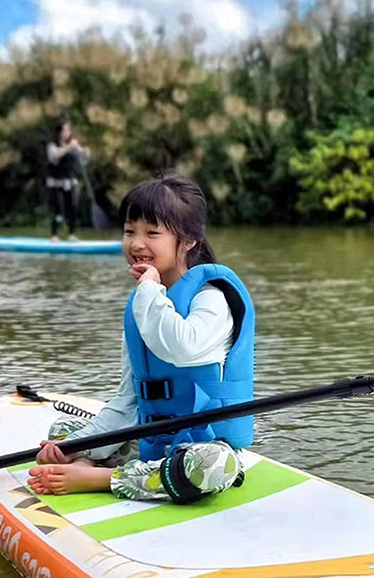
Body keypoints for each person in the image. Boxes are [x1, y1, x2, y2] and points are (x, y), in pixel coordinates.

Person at [27, 172, 255, 503]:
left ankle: (103, 477)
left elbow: (183, 349)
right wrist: (74, 447)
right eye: (129, 231)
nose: (136, 244)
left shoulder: (211, 299)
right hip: (152, 441)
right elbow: (128, 400)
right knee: (63, 435)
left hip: (206, 444)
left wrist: (149, 288)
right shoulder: (143, 305)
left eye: (152, 233)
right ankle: (94, 461)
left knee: (212, 466)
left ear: (189, 240)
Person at [46, 118, 88, 241]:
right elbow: (54, 156)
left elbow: (81, 161)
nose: (67, 133)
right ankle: (54, 235)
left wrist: (85, 154)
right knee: (59, 210)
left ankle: (71, 234)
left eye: (68, 130)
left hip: (71, 182)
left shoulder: (74, 145)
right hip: (56, 183)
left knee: (73, 209)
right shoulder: (52, 145)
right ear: (58, 132)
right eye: (64, 130)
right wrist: (70, 147)